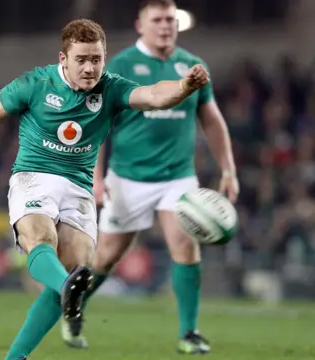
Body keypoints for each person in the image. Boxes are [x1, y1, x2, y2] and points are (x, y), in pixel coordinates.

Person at [0, 18, 209, 360]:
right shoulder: (35, 84)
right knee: (40, 239)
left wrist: (184, 86)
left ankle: (27, 341)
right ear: (63, 59)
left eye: (96, 59)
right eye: (82, 60)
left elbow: (152, 95)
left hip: (78, 188)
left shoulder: (111, 88)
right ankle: (64, 294)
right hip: (35, 177)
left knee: (77, 272)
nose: (90, 68)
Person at [59, 0, 238, 355]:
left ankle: (189, 332)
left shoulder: (192, 66)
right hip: (128, 178)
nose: (165, 25)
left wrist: (228, 168)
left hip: (177, 177)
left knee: (185, 246)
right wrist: (94, 177)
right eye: (157, 19)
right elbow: (95, 124)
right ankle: (72, 307)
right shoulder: (121, 65)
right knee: (105, 257)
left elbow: (212, 119)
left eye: (170, 19)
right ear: (140, 25)